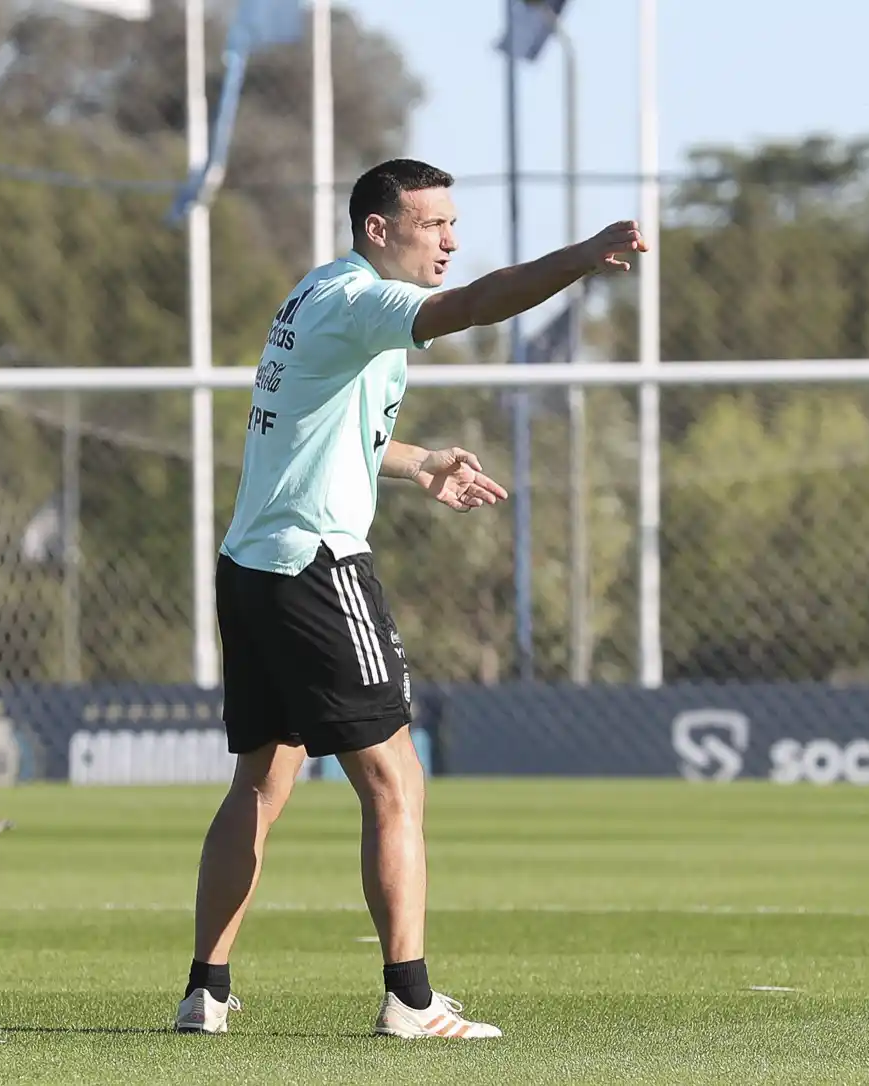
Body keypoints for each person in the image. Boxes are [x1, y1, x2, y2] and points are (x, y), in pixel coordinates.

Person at [174, 158, 647, 1039]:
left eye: (453, 223)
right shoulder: (364, 301)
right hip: (319, 565)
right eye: (433, 225)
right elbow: (473, 305)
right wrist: (580, 257)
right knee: (396, 782)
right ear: (378, 230)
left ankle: (206, 989)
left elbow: (329, 430)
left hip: (253, 566)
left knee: (261, 785)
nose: (452, 241)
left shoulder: (316, 295)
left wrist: (420, 459)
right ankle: (411, 1000)